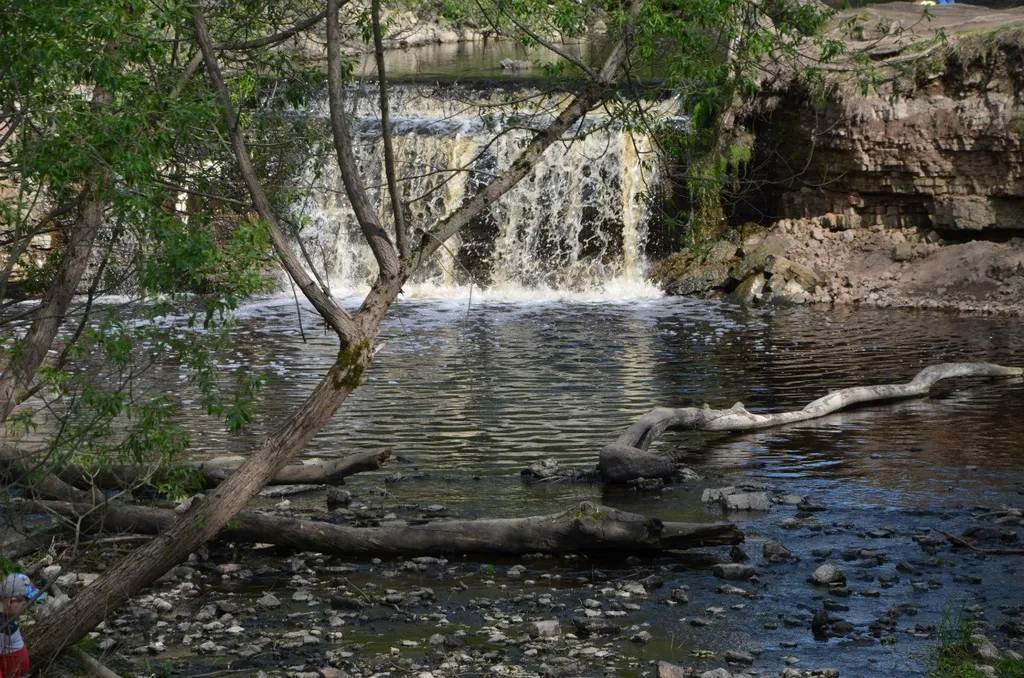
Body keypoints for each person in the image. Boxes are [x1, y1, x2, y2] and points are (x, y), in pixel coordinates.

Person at [0, 573, 46, 678]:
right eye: (23, 604)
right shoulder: (2, 629)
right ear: (11, 601)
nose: (23, 609)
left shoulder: (8, 618)